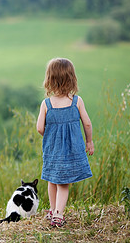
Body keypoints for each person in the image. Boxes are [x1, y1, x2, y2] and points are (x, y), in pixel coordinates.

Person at [36, 58, 94, 227]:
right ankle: (58, 215)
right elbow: (88, 123)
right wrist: (89, 141)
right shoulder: (76, 101)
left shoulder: (46, 104)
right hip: (71, 151)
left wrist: (51, 136)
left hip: (52, 150)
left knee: (52, 179)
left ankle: (54, 211)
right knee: (63, 183)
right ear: (72, 79)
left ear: (49, 80)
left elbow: (40, 128)